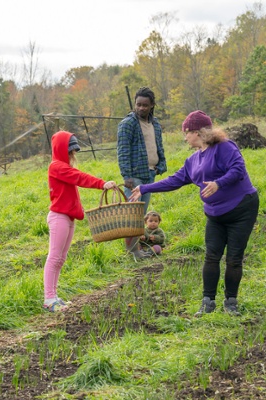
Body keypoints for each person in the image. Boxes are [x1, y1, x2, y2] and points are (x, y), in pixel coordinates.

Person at [130, 110, 259, 316]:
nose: (185, 137)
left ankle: (231, 302)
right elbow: (175, 180)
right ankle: (208, 302)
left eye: (187, 132)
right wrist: (145, 188)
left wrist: (218, 183)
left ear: (198, 132)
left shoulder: (225, 147)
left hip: (241, 209)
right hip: (215, 215)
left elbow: (238, 169)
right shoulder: (193, 160)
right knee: (211, 255)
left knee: (234, 257)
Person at [43, 131, 117, 312]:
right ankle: (49, 299)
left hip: (69, 218)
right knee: (54, 257)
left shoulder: (63, 166)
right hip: (59, 217)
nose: (72, 155)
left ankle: (54, 297)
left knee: (61, 258)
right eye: (70, 151)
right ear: (60, 149)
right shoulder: (56, 167)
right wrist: (101, 183)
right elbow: (79, 177)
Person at [117, 87, 167, 258]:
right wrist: (126, 177)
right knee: (133, 214)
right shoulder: (128, 124)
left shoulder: (155, 124)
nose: (141, 108)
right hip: (135, 176)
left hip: (150, 174)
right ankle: (133, 252)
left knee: (142, 213)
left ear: (152, 105)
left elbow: (158, 145)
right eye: (138, 104)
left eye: (145, 105)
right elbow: (123, 151)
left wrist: (162, 164)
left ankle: (139, 247)